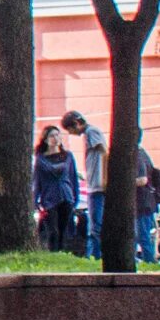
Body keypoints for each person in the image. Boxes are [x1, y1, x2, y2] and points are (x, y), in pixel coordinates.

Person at [61, 109, 107, 257]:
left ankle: (95, 256)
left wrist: (104, 178)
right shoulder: (89, 134)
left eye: (70, 129)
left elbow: (104, 152)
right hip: (94, 184)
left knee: (95, 227)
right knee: (94, 225)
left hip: (97, 186)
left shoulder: (92, 132)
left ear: (76, 124)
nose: (71, 133)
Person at [33, 126, 82, 255]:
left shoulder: (68, 156)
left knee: (64, 229)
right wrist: (35, 200)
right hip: (49, 198)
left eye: (57, 135)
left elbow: (73, 177)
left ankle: (63, 253)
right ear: (45, 140)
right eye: (52, 136)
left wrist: (75, 197)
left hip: (66, 196)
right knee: (52, 230)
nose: (56, 138)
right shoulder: (41, 159)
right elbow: (37, 181)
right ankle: (53, 253)